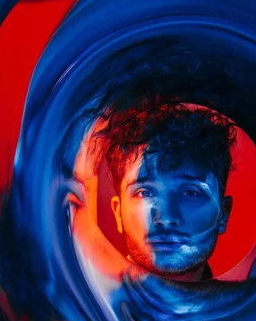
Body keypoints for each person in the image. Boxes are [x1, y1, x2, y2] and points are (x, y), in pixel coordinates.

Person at [100, 102, 236, 282]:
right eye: (145, 193)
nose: (166, 218)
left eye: (190, 193)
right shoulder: (76, 304)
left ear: (223, 214)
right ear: (118, 214)